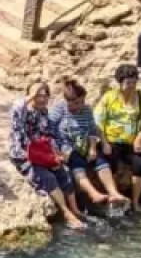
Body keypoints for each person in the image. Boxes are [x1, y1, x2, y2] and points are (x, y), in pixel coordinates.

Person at [10, 81, 86, 229]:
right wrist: (33, 94)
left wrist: (57, 153)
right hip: (25, 155)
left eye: (45, 95)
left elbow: (50, 134)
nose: (42, 99)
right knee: (47, 177)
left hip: (43, 154)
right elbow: (17, 107)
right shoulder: (22, 112)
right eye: (38, 95)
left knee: (64, 172)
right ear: (30, 96)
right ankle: (66, 212)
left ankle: (75, 209)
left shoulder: (44, 112)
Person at [52, 78, 129, 208]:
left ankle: (113, 192)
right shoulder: (59, 109)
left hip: (85, 144)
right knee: (76, 162)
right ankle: (93, 194)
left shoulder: (86, 110)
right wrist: (56, 151)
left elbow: (93, 129)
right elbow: (48, 129)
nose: (80, 106)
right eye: (76, 103)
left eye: (82, 102)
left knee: (101, 160)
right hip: (67, 147)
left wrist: (93, 148)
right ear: (67, 101)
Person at [96, 64, 141, 208]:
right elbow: (98, 121)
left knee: (140, 165)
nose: (131, 86)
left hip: (132, 141)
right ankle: (114, 198)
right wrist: (104, 142)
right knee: (112, 163)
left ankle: (135, 202)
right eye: (128, 83)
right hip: (112, 141)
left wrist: (140, 136)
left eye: (134, 82)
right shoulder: (110, 97)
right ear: (120, 83)